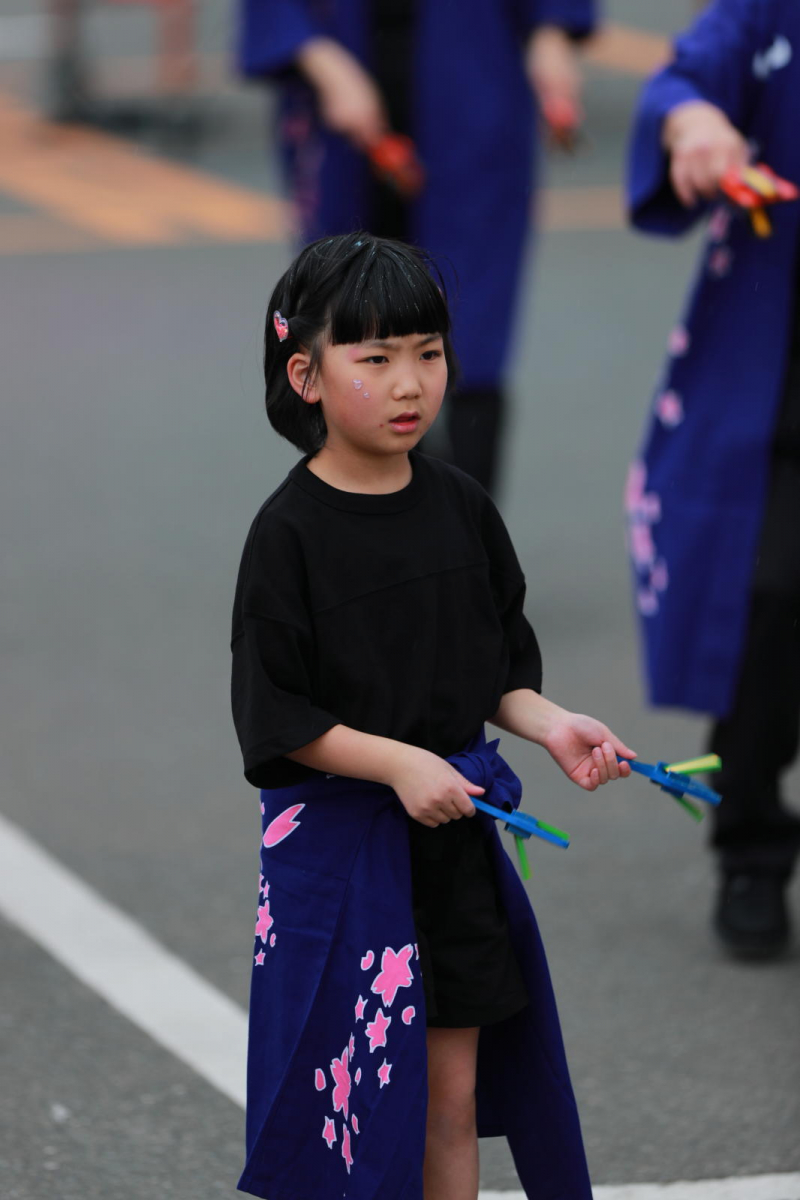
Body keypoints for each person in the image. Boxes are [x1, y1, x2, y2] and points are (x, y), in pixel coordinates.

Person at [230, 232, 635, 1200]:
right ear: (308, 375)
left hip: (452, 848)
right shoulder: (286, 537)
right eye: (374, 358)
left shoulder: (459, 507)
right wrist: (397, 763)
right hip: (341, 864)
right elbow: (276, 715)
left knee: (448, 1100)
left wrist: (549, 722)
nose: (408, 383)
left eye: (427, 353)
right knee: (364, 1110)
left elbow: (491, 668)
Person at [235, 0, 596, 494]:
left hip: (474, 75)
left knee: (474, 327)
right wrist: (320, 58)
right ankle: (389, 523)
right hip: (339, 96)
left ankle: (469, 535)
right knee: (352, 320)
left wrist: (550, 33)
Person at [625, 0, 800, 960]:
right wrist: (694, 122)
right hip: (778, 362)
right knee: (765, 597)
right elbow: (687, 74)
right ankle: (752, 847)